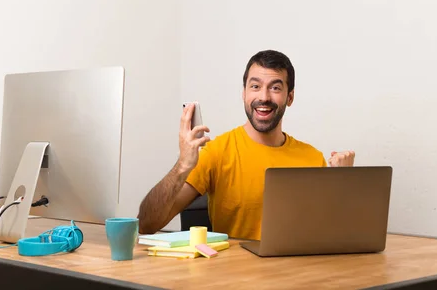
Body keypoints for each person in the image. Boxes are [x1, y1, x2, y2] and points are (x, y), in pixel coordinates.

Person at [137, 50, 355, 240]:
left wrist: (342, 185)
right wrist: (182, 165)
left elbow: (335, 239)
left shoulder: (313, 159)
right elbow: (146, 224)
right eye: (255, 86)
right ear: (243, 94)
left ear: (290, 97)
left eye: (275, 88)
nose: (264, 96)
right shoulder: (216, 152)